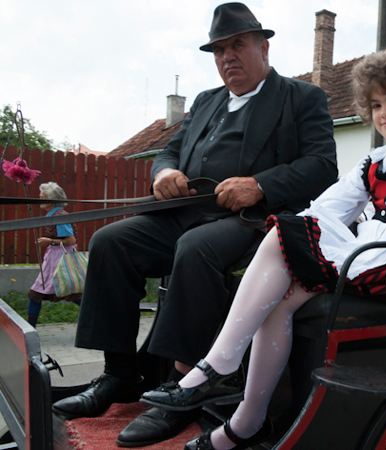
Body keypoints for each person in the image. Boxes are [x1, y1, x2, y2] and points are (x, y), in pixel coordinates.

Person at [139, 43, 386, 450]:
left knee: (286, 248)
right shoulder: (373, 161)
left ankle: (220, 367)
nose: (384, 112)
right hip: (366, 255)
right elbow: (324, 208)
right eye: (375, 105)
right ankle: (247, 418)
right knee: (281, 281)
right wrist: (295, 235)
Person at [52, 3, 337, 447]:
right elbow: (170, 150)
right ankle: (120, 374)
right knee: (111, 241)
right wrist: (164, 172)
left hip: (254, 222)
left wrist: (260, 185)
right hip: (186, 214)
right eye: (219, 50)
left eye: (237, 45)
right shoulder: (206, 101)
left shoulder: (301, 98)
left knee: (196, 248)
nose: (228, 57)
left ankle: (183, 387)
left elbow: (322, 165)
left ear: (264, 47)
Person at [26, 182, 82, 327]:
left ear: (53, 200)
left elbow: (71, 240)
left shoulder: (59, 216)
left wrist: (49, 241)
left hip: (60, 259)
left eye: (42, 197)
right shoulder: (54, 215)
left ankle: (29, 329)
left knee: (36, 294)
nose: (39, 200)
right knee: (70, 294)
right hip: (55, 258)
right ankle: (98, 319)